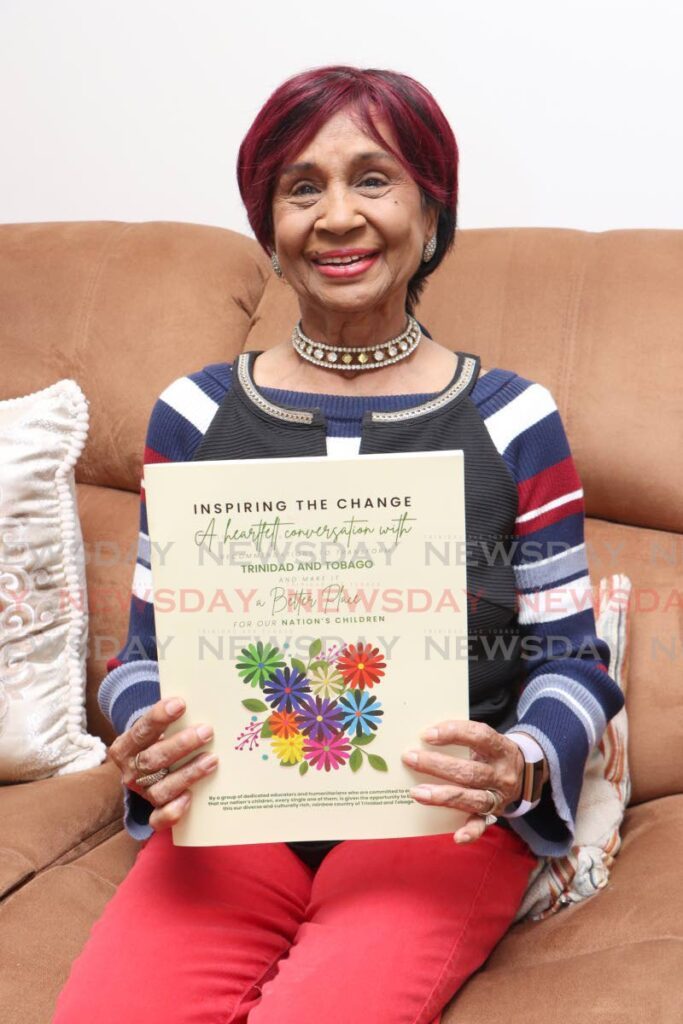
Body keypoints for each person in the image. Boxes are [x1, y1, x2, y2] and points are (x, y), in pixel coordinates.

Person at [53, 65, 624, 1024]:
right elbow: (141, 660)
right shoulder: (193, 414)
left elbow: (570, 659)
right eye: (301, 187)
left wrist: (520, 760)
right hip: (229, 817)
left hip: (437, 819)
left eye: (372, 178)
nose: (337, 215)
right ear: (265, 225)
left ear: (430, 208)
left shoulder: (514, 418)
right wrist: (143, 725)